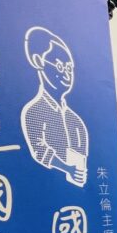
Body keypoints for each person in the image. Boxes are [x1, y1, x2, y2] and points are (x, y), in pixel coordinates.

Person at [20, 27, 88, 187]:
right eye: (59, 66)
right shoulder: (35, 111)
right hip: (45, 187)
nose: (67, 74)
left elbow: (83, 158)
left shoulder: (76, 120)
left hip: (76, 193)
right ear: (38, 61)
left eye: (69, 68)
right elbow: (39, 150)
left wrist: (78, 173)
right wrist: (67, 169)